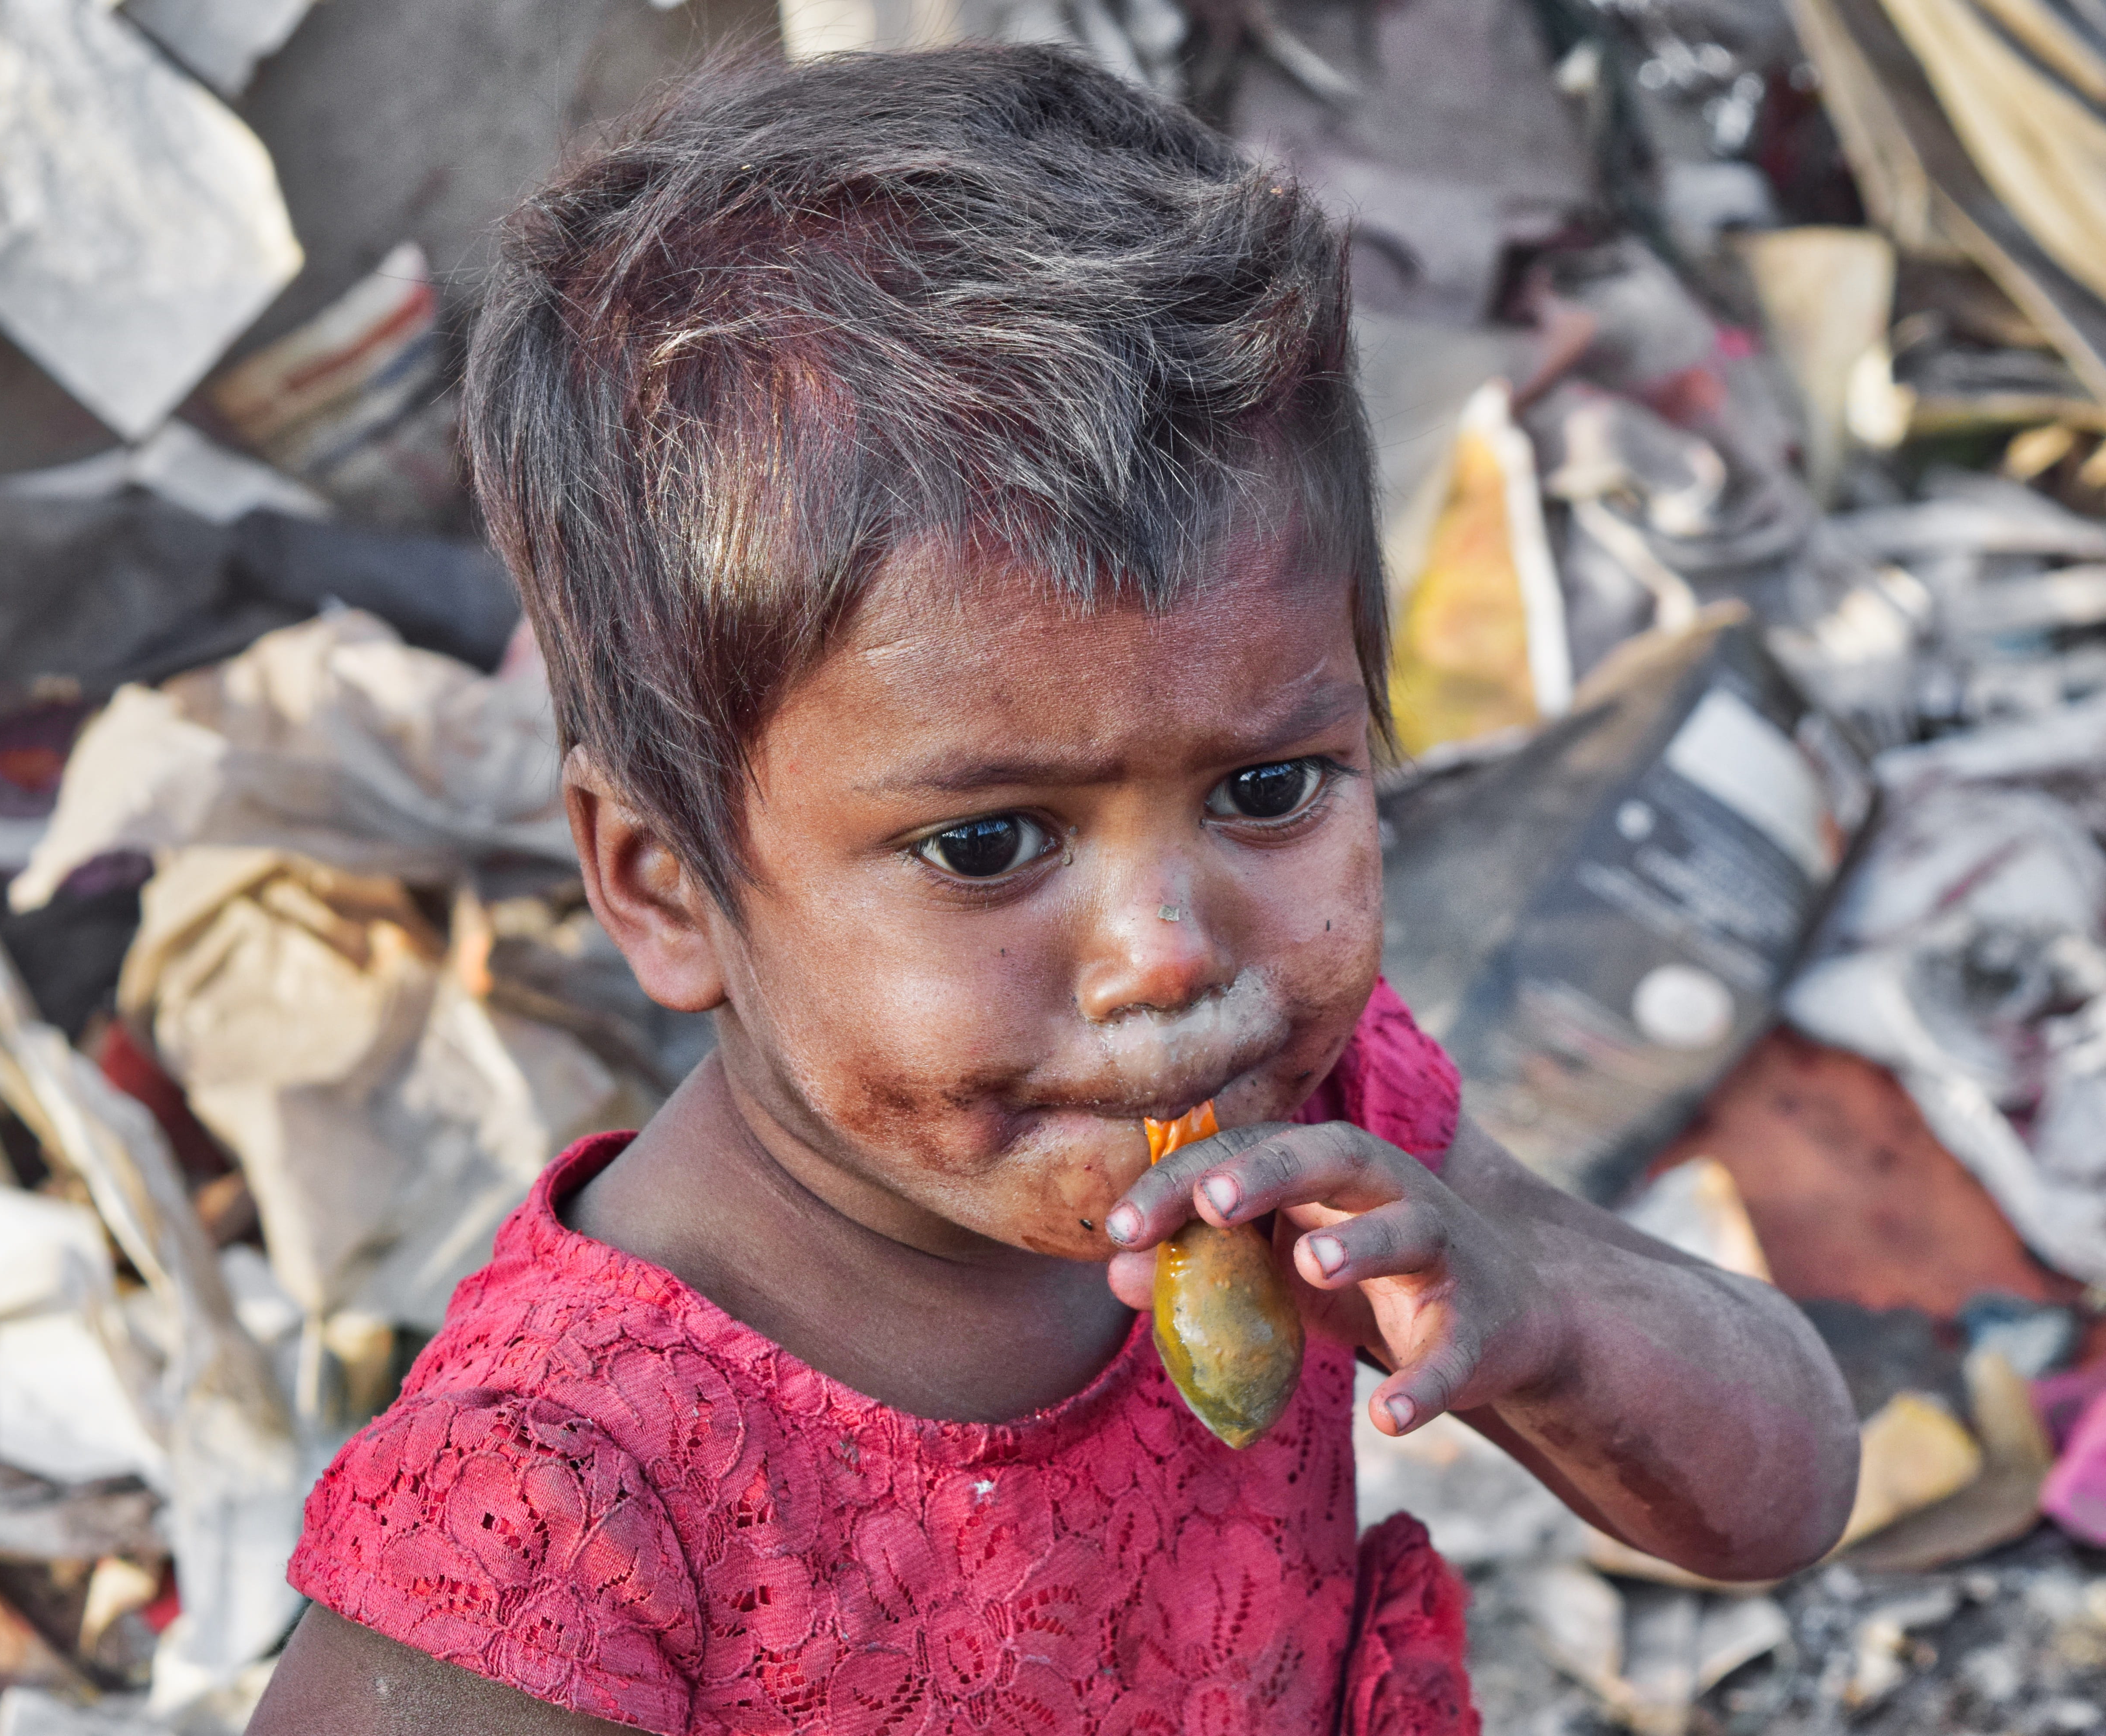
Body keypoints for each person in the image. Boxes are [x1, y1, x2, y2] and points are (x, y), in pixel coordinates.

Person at [246, 44, 1859, 1735]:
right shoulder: (566, 1499)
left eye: (1267, 789)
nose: (1168, 955)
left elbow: (1782, 1491)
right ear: (664, 887)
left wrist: (1537, 1315)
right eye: (992, 843)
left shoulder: (1317, 1153)